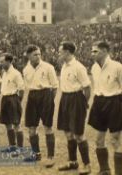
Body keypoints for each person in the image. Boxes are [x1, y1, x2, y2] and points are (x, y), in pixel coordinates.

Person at [57, 41, 91, 174]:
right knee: (68, 132)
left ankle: (87, 165)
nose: (59, 53)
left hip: (76, 99)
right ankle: (73, 162)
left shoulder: (79, 67)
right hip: (65, 99)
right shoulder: (64, 66)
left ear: (67, 52)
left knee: (78, 134)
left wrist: (83, 103)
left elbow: (87, 88)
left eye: (60, 51)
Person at [88, 41, 122, 175]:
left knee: (115, 139)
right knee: (99, 139)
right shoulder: (94, 68)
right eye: (92, 51)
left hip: (114, 102)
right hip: (99, 102)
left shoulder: (117, 67)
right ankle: (105, 170)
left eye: (95, 51)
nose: (92, 54)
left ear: (105, 51)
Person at [23, 45, 58, 168]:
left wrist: (49, 100)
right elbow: (28, 86)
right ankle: (36, 153)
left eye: (39, 54)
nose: (38, 56)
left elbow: (54, 87)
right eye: (35, 54)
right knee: (31, 128)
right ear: (28, 56)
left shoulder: (48, 67)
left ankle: (51, 157)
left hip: (46, 96)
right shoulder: (26, 69)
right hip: (32, 96)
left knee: (47, 126)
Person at [0, 53, 24, 155]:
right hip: (4, 99)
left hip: (13, 99)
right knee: (7, 124)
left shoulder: (16, 73)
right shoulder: (4, 72)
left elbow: (21, 89)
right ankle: (12, 146)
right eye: (0, 61)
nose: (1, 63)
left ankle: (20, 148)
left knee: (16, 124)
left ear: (9, 61)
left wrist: (17, 101)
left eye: (2, 61)